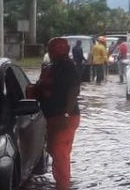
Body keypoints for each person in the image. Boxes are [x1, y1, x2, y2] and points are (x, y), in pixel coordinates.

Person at [30, 37, 80, 190]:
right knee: (54, 150)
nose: (49, 52)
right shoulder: (52, 66)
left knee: (60, 153)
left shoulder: (68, 67)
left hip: (64, 117)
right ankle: (61, 182)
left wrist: (66, 114)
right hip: (54, 117)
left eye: (51, 49)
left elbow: (74, 90)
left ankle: (63, 186)